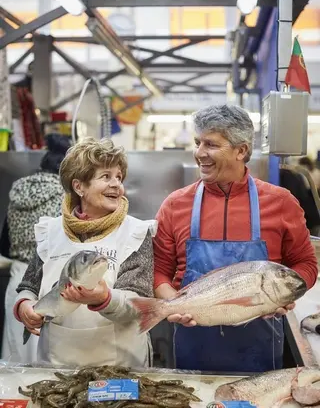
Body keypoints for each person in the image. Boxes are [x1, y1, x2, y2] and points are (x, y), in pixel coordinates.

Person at [153, 104, 318, 373]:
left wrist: (287, 294)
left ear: (241, 151)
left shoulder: (281, 203)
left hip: (260, 342)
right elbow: (160, 270)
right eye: (197, 143)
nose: (199, 153)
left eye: (211, 144)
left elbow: (306, 264)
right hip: (193, 339)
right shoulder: (175, 205)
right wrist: (172, 304)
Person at [13, 137, 156, 368]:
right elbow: (29, 286)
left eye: (119, 177)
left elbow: (140, 305)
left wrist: (104, 298)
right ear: (79, 186)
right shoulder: (50, 231)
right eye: (105, 176)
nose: (116, 185)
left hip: (119, 367)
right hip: (58, 366)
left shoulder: (136, 234)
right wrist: (25, 307)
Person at [1, 133, 70, 362]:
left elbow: (4, 243)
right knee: (44, 358)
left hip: (18, 279)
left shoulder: (18, 190)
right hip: (46, 278)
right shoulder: (65, 195)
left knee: (16, 355)